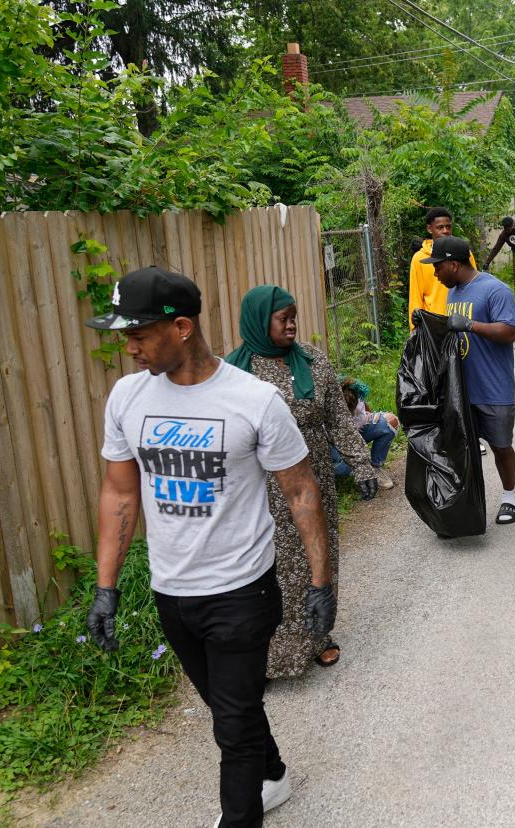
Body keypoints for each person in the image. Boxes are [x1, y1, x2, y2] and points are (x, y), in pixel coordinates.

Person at [85, 266, 335, 824]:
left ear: (180, 327)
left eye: (138, 335)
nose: (130, 349)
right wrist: (106, 588)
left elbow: (300, 491)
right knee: (230, 707)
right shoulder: (127, 398)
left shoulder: (254, 400)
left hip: (241, 591)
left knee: (231, 726)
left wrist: (321, 582)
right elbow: (120, 494)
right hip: (171, 591)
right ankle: (274, 776)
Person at [225, 285, 374, 676]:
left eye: (294, 316)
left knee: (317, 558)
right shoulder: (233, 373)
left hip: (313, 479)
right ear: (259, 322)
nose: (292, 325)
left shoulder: (312, 361)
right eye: (282, 319)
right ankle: (268, 654)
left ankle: (317, 636)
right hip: (258, 488)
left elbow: (338, 422)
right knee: (267, 569)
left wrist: (362, 465)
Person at [427, 235, 515, 525]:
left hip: (493, 388)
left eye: (438, 267)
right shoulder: (452, 292)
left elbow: (509, 332)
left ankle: (510, 497)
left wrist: (471, 325)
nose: (435, 273)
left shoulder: (495, 290)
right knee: (463, 448)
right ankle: (470, 499)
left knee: (500, 445)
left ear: (454, 265)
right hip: (463, 389)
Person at [408, 207, 477, 330]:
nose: (445, 231)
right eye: (440, 227)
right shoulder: (419, 259)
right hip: (434, 324)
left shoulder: (464, 253)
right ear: (430, 229)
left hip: (461, 320)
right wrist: (415, 330)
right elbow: (415, 297)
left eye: (448, 227)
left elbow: (474, 286)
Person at [332, 378, 399, 491]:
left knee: (390, 422)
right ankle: (355, 473)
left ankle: (374, 467)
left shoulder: (356, 395)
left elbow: (366, 409)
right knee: (343, 467)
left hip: (356, 432)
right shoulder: (327, 403)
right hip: (334, 441)